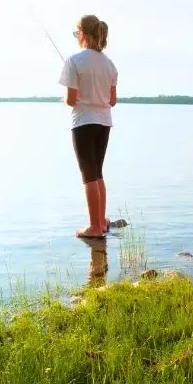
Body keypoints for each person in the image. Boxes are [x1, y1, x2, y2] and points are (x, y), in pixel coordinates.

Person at [59, 14, 118, 239]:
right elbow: (112, 101)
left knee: (88, 175)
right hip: (104, 123)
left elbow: (71, 100)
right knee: (98, 172)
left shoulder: (74, 61)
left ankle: (94, 227)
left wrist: (74, 97)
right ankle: (101, 222)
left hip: (83, 122)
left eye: (76, 33)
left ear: (82, 34)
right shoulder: (110, 64)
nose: (76, 37)